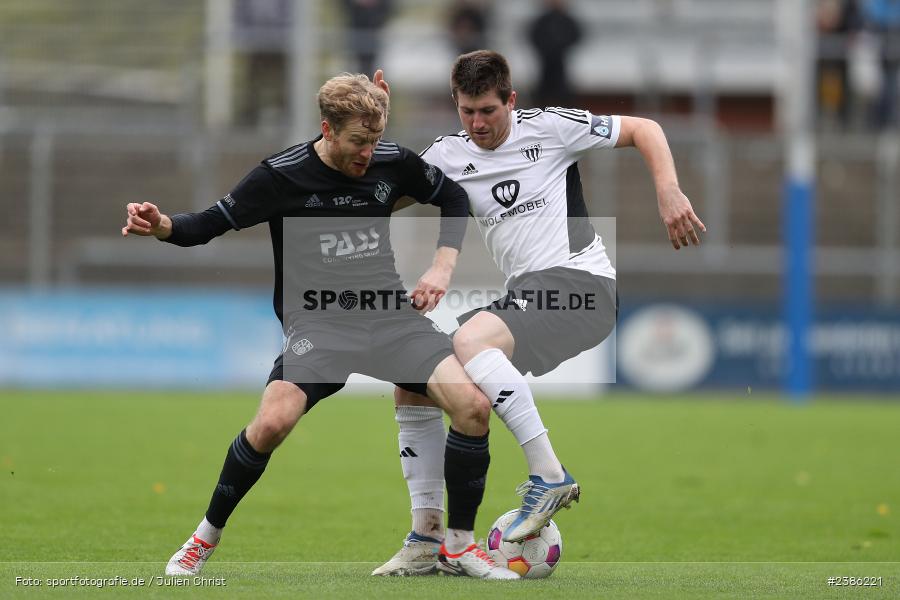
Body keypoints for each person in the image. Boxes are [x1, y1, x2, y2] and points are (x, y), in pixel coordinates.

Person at [121, 72, 519, 580]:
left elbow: (454, 196)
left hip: (390, 318)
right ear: (327, 130)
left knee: (473, 407)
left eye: (375, 140)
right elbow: (206, 225)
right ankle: (204, 537)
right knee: (272, 423)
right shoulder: (280, 176)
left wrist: (442, 267)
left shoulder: (390, 159)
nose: (368, 154)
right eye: (358, 142)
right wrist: (161, 225)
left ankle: (458, 547)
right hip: (320, 325)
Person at [372, 51, 705, 576]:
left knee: (471, 339)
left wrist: (668, 190)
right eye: (467, 112)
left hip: (583, 285)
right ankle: (426, 539)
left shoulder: (550, 128)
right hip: (531, 297)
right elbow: (377, 198)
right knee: (418, 381)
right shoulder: (447, 155)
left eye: (488, 110)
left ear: (511, 100)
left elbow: (646, 128)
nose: (478, 124)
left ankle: (548, 474)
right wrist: (376, 138)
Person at [528, 0, 583, 109]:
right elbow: (534, 37)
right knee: (543, 91)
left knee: (563, 89)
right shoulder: (543, 20)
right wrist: (545, 48)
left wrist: (561, 47)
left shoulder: (567, 20)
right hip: (546, 61)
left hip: (560, 61)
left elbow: (576, 35)